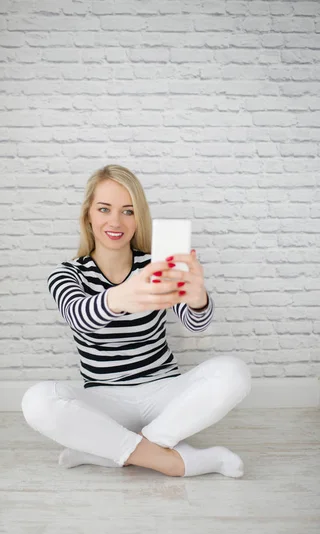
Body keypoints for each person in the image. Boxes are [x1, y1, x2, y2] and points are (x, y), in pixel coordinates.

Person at [21, 165, 252, 478]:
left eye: (127, 211)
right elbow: (77, 315)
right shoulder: (67, 274)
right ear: (88, 214)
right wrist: (121, 298)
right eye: (105, 209)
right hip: (105, 401)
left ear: (138, 217)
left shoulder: (155, 265)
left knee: (234, 372)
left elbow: (195, 325)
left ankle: (111, 451)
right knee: (37, 401)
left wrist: (197, 299)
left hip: (164, 397)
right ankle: (175, 462)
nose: (115, 221)